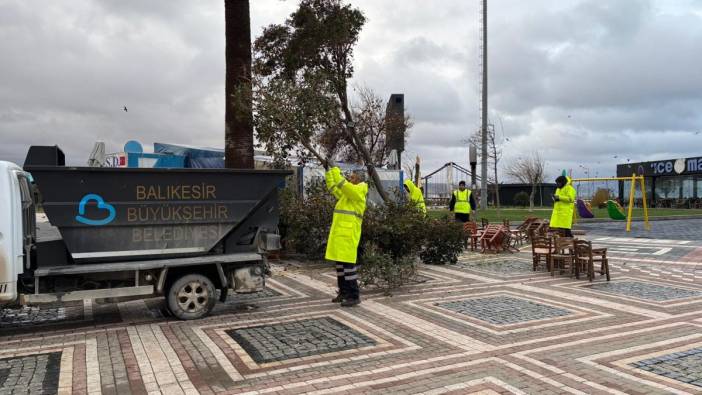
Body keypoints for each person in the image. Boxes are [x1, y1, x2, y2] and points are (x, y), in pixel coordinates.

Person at [325, 166, 368, 307]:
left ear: (360, 179)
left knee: (348, 267)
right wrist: (329, 171)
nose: (351, 179)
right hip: (341, 235)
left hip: (349, 236)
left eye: (353, 177)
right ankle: (343, 292)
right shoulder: (348, 195)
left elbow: (344, 186)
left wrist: (336, 172)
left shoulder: (359, 190)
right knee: (340, 266)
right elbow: (333, 187)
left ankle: (354, 295)